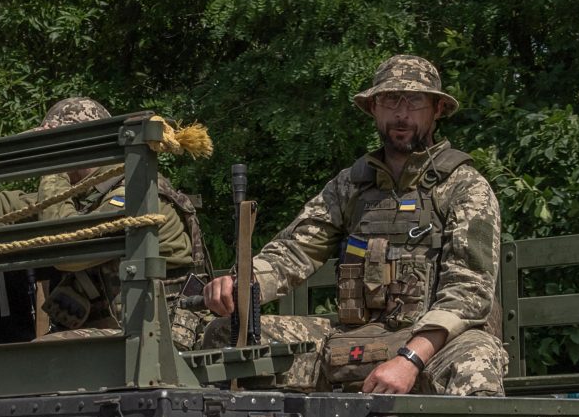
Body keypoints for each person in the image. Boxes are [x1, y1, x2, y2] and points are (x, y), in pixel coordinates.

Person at [203, 54, 506, 396]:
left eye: (414, 100)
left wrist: (409, 360)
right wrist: (245, 281)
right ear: (374, 108)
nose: (401, 113)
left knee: (476, 363)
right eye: (390, 100)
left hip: (432, 344)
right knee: (224, 333)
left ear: (436, 109)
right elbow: (295, 249)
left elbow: (468, 294)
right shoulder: (350, 186)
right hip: (354, 338)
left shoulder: (464, 187)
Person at [0, 98, 208, 344]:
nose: (48, 156)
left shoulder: (134, 191)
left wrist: (53, 167)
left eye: (56, 146)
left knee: (43, 358)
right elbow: (11, 203)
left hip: (158, 336)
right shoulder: (88, 194)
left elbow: (71, 252)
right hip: (124, 331)